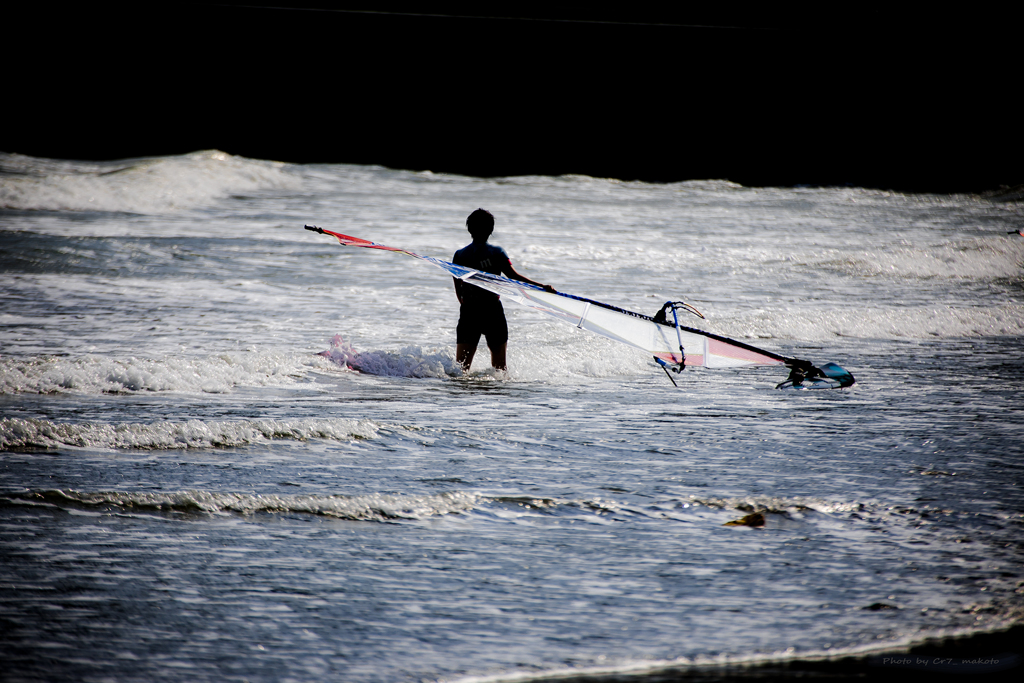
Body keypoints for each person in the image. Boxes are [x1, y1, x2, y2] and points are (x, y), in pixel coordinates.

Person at [452, 208, 555, 372]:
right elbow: (514, 277)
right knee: (500, 370)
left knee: (460, 370)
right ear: (490, 230)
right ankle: (497, 397)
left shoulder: (459, 255)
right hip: (492, 311)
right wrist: (541, 287)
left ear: (469, 229)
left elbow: (458, 286)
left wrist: (465, 305)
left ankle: (462, 397)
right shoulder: (496, 252)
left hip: (469, 312)